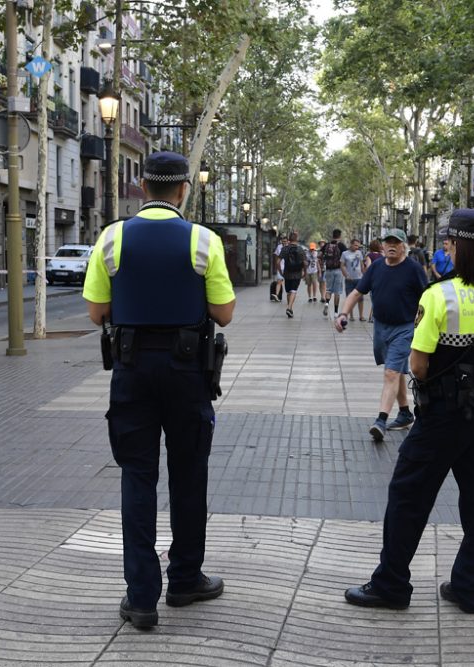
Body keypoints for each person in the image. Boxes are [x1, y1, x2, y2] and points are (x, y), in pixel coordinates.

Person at [83, 151, 235, 630]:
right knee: (189, 476)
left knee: (137, 476)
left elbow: (96, 312)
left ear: (142, 188)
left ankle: (142, 597)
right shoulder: (203, 241)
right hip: (187, 372)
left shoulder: (112, 237)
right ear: (183, 190)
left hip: (131, 371)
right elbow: (225, 313)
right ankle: (185, 579)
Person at [343, 209, 474, 614]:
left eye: (449, 243)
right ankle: (469, 589)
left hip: (444, 412)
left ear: (458, 247)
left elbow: (417, 365)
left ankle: (391, 585)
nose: (446, 249)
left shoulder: (439, 295)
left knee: (408, 494)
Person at [334, 228, 428, 440]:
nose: (391, 246)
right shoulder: (376, 267)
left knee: (391, 373)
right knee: (394, 370)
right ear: (383, 245)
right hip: (381, 328)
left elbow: (428, 299)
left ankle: (381, 421)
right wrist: (342, 314)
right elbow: (357, 292)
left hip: (405, 328)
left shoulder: (413, 269)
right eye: (388, 242)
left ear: (404, 246)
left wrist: (421, 326)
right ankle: (405, 413)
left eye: (396, 242)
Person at [321, 229, 348, 317]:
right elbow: (347, 257)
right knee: (337, 292)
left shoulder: (327, 245)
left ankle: (327, 304)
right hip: (338, 270)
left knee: (328, 289)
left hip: (328, 270)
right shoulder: (341, 245)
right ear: (340, 236)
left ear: (332, 235)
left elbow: (319, 255)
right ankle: (336, 312)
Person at [280, 232, 307, 318]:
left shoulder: (285, 249)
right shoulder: (300, 249)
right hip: (297, 273)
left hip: (287, 272)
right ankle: (289, 307)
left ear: (289, 239)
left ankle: (290, 308)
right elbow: (305, 263)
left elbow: (277, 261)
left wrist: (280, 271)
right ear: (297, 239)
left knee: (288, 292)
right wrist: (305, 272)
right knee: (293, 291)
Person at [341, 238, 366, 321]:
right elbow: (342, 265)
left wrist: (364, 275)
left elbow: (362, 265)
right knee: (349, 297)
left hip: (359, 278)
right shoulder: (345, 254)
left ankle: (361, 315)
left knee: (360, 298)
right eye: (355, 245)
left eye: (358, 246)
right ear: (351, 244)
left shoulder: (359, 253)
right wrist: (346, 275)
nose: (357, 247)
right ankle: (351, 315)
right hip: (349, 279)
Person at [271, 236, 287, 302]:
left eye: (285, 241)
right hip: (280, 267)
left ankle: (288, 295)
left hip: (287, 268)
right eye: (283, 241)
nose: (284, 242)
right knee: (279, 281)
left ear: (287, 241)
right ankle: (277, 295)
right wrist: (276, 267)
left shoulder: (289, 247)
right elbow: (276, 257)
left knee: (287, 282)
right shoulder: (279, 247)